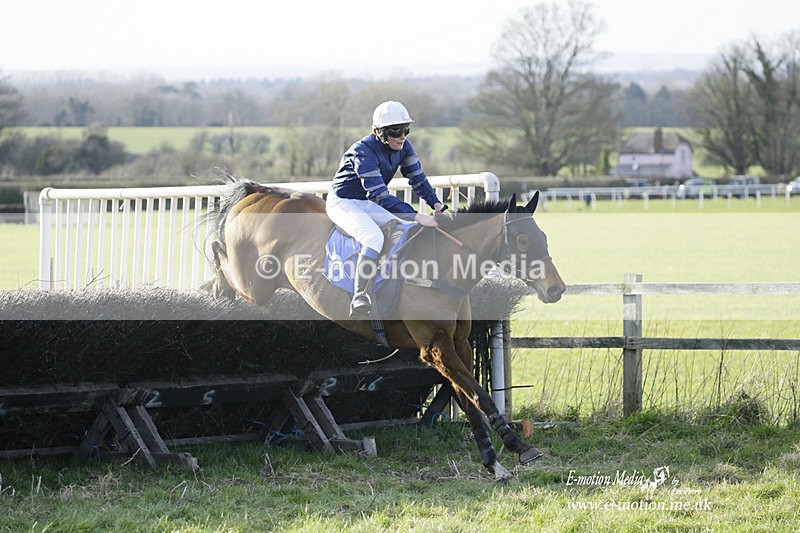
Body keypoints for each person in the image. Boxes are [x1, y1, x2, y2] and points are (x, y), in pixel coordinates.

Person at [326, 100, 445, 319]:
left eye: (406, 130)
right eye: (395, 131)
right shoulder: (362, 153)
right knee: (373, 238)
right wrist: (418, 215)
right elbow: (380, 196)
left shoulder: (403, 146)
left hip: (366, 201)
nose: (402, 136)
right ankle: (359, 295)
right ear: (379, 132)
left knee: (406, 227)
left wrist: (436, 204)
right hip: (343, 202)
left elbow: (417, 179)